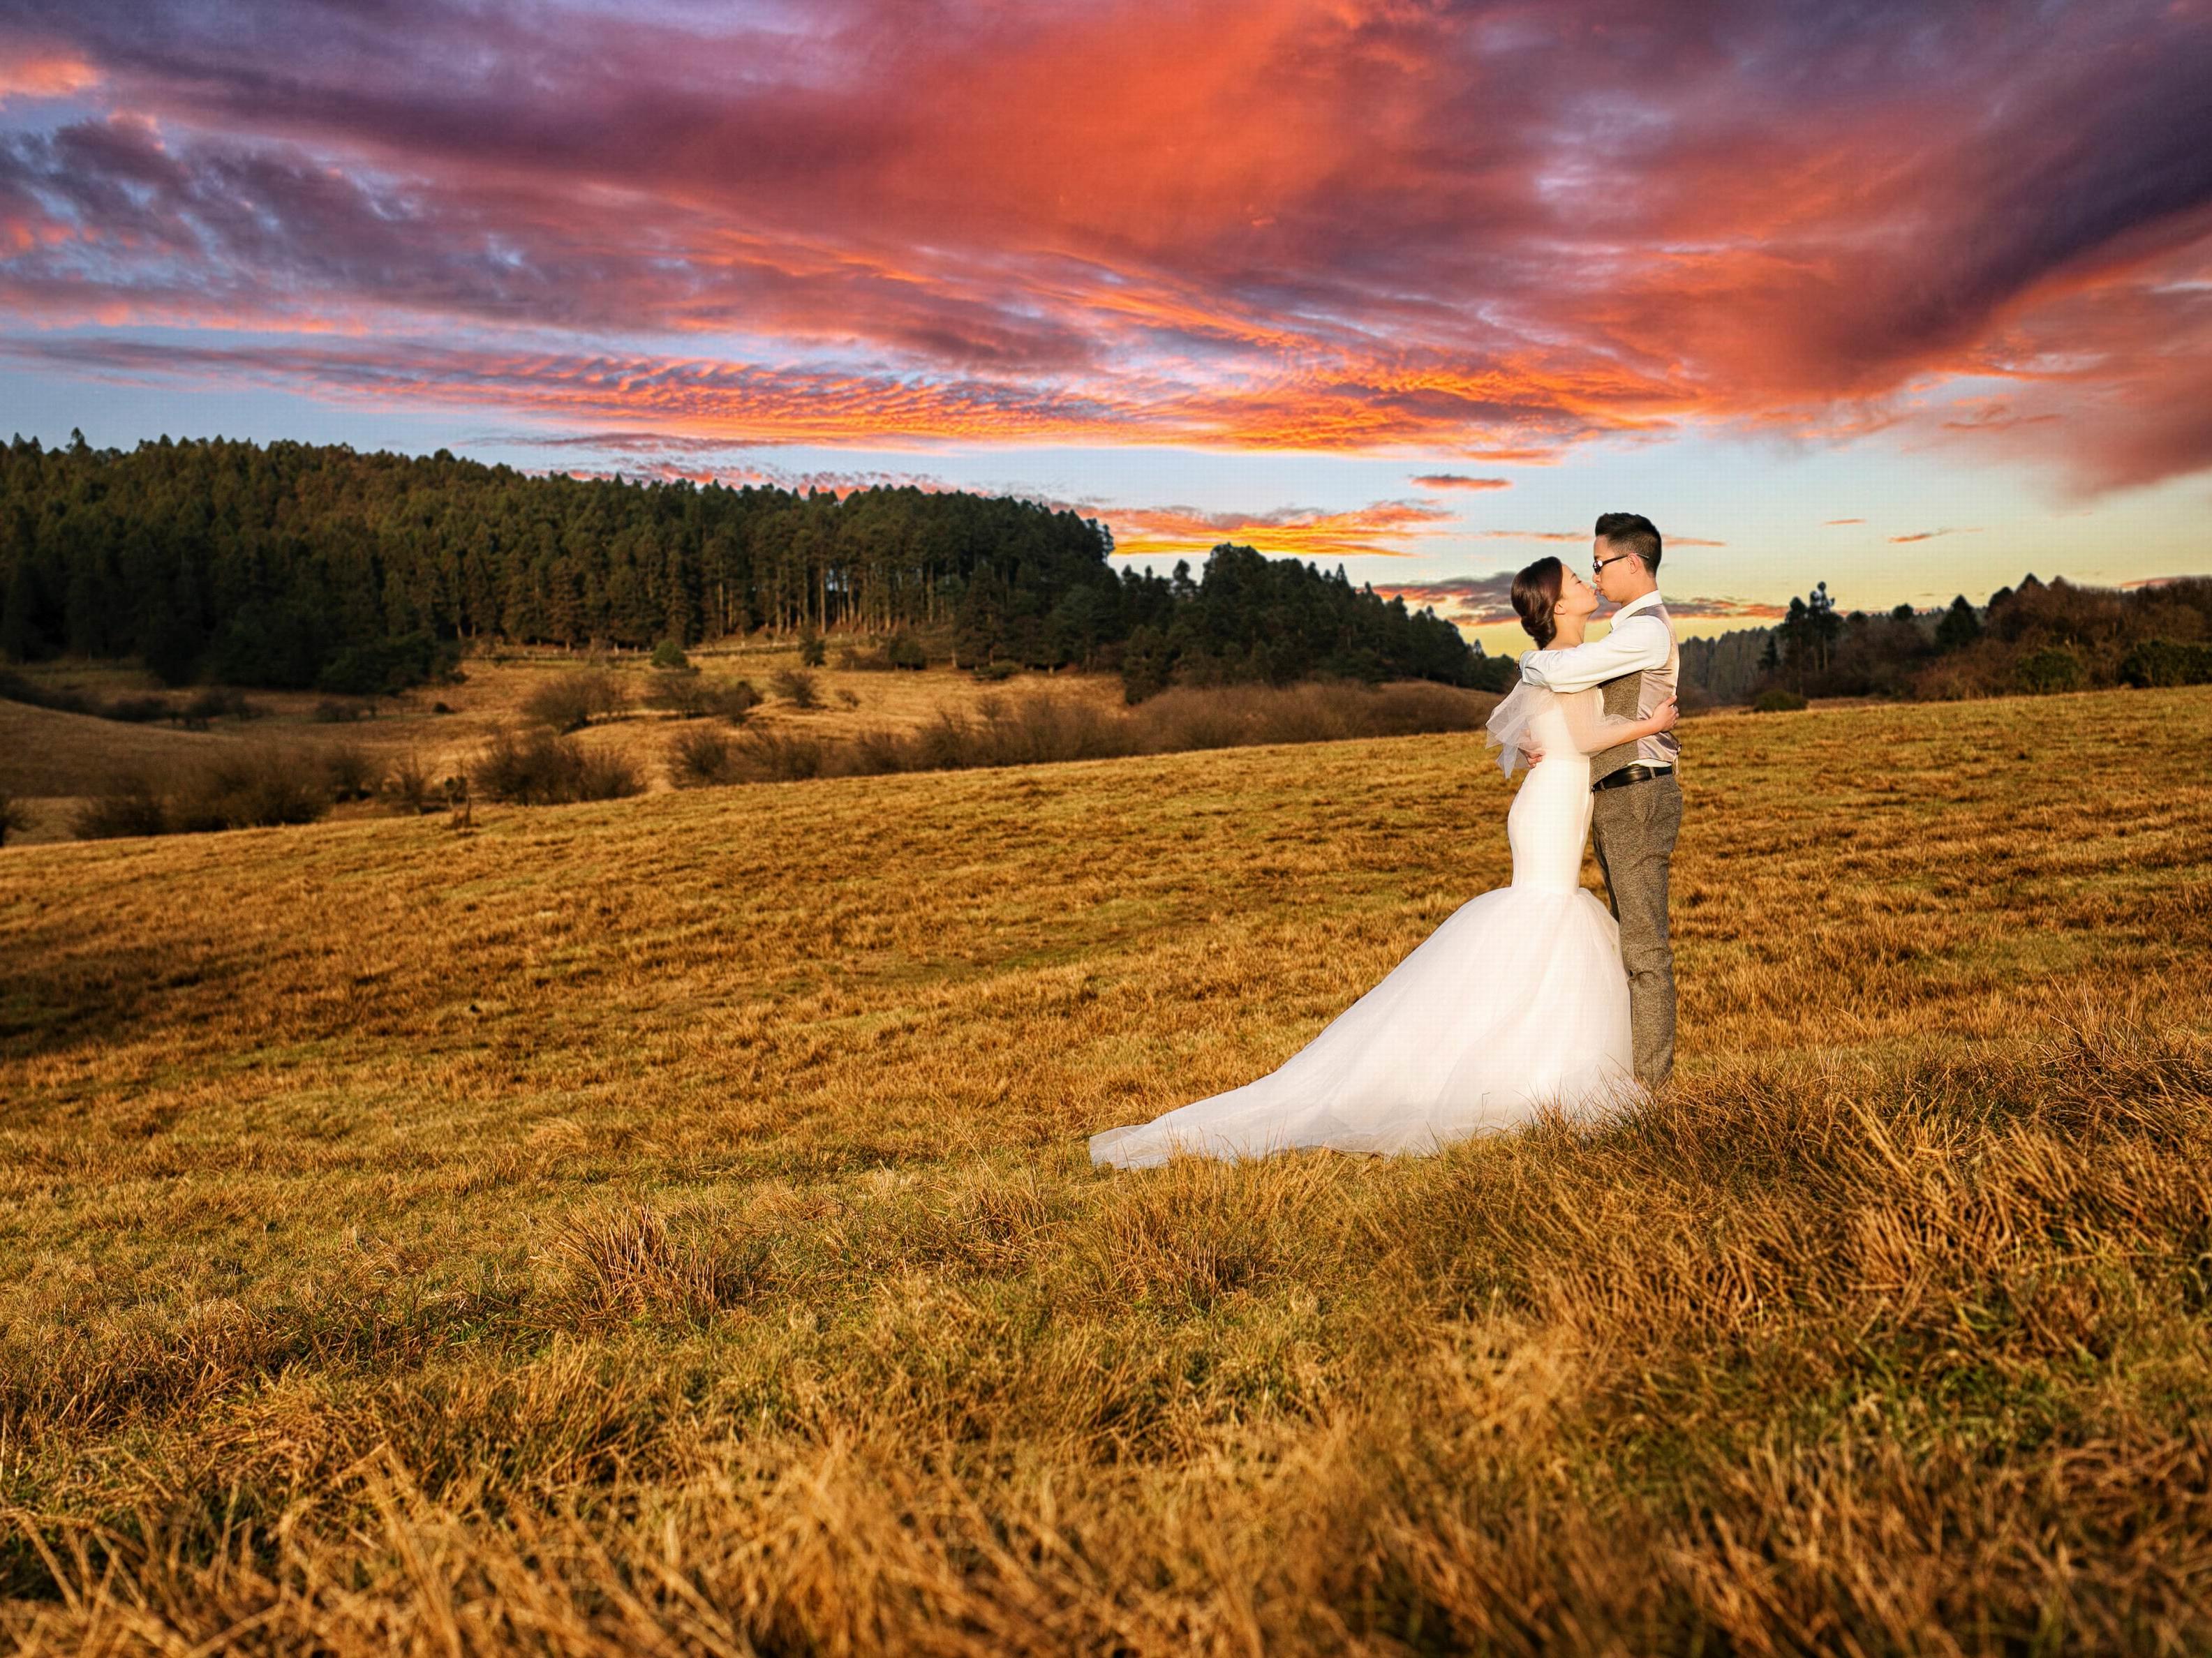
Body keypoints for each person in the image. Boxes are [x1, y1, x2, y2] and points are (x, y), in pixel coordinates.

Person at [1088, 554, 1677, 1169]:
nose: (1587, 583)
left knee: (1540, 916)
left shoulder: (1560, 660)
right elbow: (1580, 739)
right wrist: (1650, 723)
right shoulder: (1566, 661)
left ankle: (1510, 1053)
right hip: (1554, 801)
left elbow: (1539, 729)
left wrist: (1543, 740)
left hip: (1548, 798)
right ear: (1557, 606)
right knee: (1547, 912)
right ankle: (1528, 1071)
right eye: (1576, 581)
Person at [1516, 511, 1682, 1090]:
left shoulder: (1645, 632)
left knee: (1642, 949)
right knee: (1630, 942)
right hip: (1614, 796)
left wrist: (1528, 663)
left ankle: (1650, 1093)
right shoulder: (1628, 631)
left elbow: (1570, 670)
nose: (1596, 574)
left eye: (1600, 564)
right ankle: (1632, 1080)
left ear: (1631, 563)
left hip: (1637, 795)